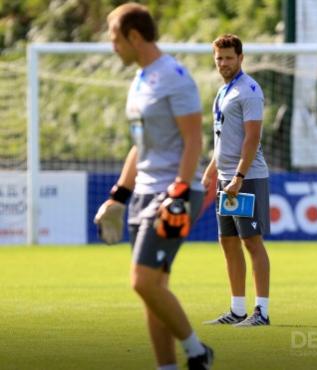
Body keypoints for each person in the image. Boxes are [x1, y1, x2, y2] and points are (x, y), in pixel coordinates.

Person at [93, 3, 213, 369]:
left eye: (114, 38)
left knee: (142, 282)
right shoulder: (140, 79)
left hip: (172, 192)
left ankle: (197, 352)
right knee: (154, 290)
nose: (112, 46)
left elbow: (194, 139)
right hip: (143, 192)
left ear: (133, 36)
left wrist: (177, 191)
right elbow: (140, 146)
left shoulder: (174, 76)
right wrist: (118, 194)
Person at [201, 34, 271, 327]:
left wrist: (240, 176)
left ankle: (261, 312)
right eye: (219, 58)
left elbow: (252, 138)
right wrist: (211, 170)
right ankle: (237, 309)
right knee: (227, 242)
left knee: (252, 242)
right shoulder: (223, 91)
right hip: (226, 180)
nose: (224, 63)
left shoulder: (249, 91)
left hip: (247, 178)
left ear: (241, 58)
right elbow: (223, 139)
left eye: (229, 58)